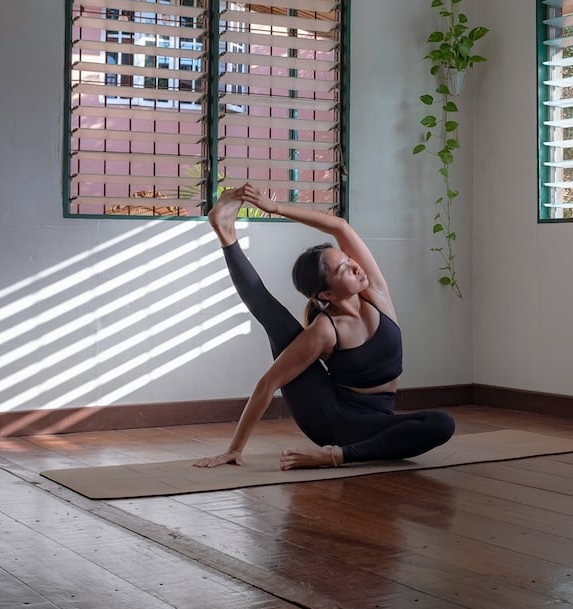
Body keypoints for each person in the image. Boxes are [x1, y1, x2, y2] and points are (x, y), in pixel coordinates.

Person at [194, 184, 455, 471]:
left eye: (348, 260)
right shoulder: (325, 330)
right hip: (332, 421)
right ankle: (226, 233)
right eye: (343, 269)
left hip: (376, 417)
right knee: (276, 319)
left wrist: (275, 208)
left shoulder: (376, 293)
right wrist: (234, 449)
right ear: (327, 295)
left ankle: (338, 455)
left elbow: (340, 227)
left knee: (441, 423)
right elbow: (268, 385)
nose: (355, 267)